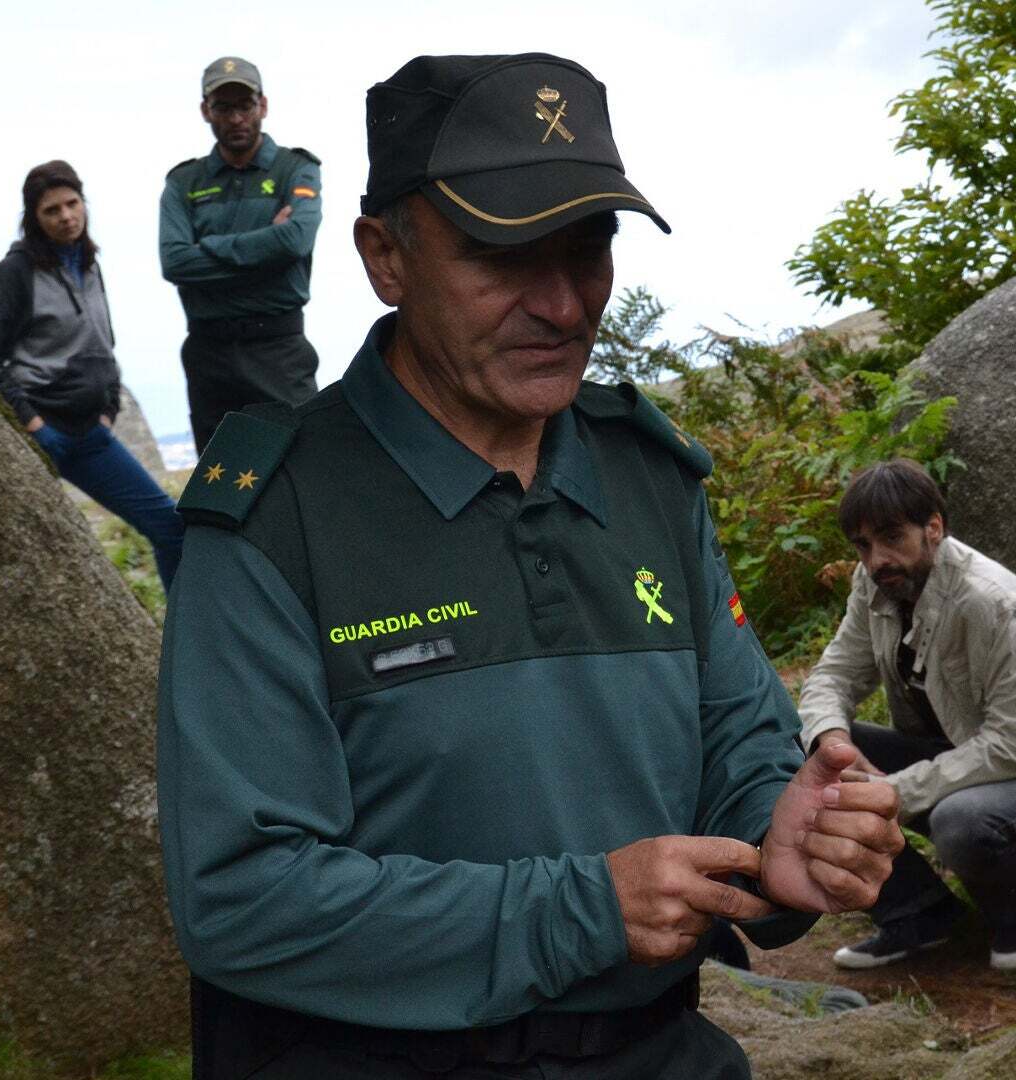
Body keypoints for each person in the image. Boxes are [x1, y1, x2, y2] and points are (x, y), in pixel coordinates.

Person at [156, 53, 903, 1080]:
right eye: (501, 257)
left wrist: (780, 835)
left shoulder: (650, 480)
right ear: (385, 256)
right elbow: (241, 899)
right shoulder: (275, 517)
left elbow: (737, 741)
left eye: (586, 248)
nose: (561, 305)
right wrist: (584, 911)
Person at [796, 459, 1016, 971]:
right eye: (863, 545)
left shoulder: (993, 603)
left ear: (934, 528)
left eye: (892, 537)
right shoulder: (875, 582)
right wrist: (833, 745)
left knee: (960, 822)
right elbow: (833, 677)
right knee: (804, 753)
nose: (877, 559)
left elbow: (1011, 746)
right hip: (956, 754)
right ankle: (919, 912)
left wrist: (893, 792)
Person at [0, 160, 184, 588]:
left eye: (72, 203)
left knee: (170, 527)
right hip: (42, 434)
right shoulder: (16, 272)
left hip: (91, 434)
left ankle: (184, 643)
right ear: (34, 219)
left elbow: (102, 343)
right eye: (52, 210)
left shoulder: (88, 264)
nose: (66, 216)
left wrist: (108, 409)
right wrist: (33, 423)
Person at [159, 56, 322, 453]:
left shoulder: (295, 169)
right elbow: (175, 262)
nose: (235, 118)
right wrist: (268, 243)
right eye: (223, 107)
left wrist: (209, 250)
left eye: (244, 105)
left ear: (262, 106)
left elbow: (295, 240)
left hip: (278, 350)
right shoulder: (184, 182)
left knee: (307, 469)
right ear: (206, 111)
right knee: (219, 489)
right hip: (208, 355)